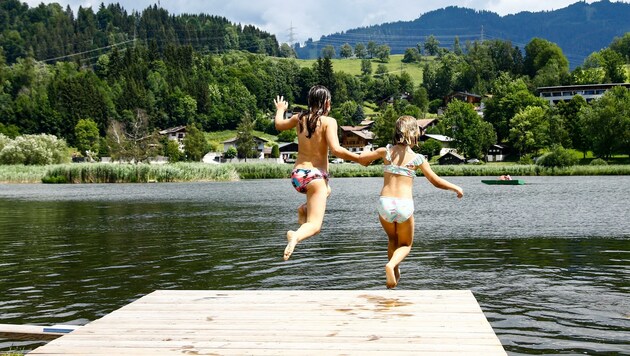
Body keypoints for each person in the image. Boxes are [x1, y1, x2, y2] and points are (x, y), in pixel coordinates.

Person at [359, 116, 464, 288]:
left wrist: (365, 155)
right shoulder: (418, 159)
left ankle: (395, 271)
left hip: (385, 203)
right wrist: (455, 188)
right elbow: (435, 181)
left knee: (392, 239)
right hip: (403, 204)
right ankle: (392, 266)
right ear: (413, 134)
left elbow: (363, 160)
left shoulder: (384, 152)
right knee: (406, 244)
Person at [274, 85, 362, 261]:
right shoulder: (329, 122)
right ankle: (295, 236)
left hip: (298, 175)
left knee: (327, 190)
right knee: (314, 226)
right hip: (315, 177)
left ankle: (304, 209)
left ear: (310, 102)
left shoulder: (299, 118)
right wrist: (359, 158)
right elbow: (336, 150)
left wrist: (281, 109)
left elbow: (278, 125)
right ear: (327, 103)